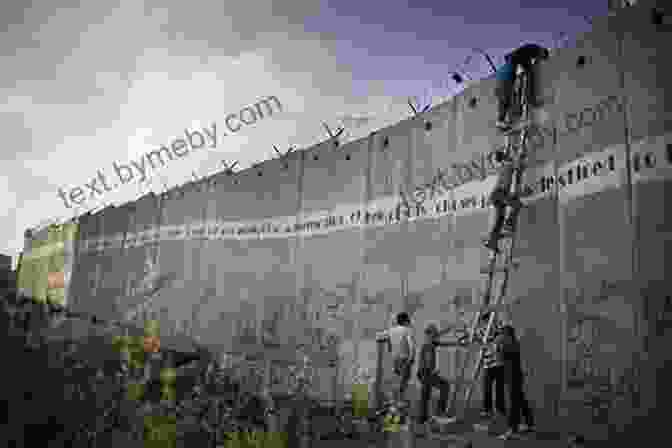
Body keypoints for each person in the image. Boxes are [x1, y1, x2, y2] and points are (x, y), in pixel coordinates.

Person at [496, 43, 550, 128]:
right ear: (541, 53)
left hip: (506, 72)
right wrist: (533, 101)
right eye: (541, 57)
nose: (539, 59)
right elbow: (528, 69)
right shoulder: (533, 49)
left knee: (509, 94)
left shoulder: (525, 55)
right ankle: (502, 120)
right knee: (507, 93)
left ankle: (506, 119)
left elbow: (526, 66)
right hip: (507, 73)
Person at [416, 322, 458, 423]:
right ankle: (439, 412)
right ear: (430, 334)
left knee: (426, 394)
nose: (437, 336)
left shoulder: (431, 342)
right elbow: (428, 360)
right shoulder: (428, 344)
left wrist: (450, 330)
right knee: (444, 386)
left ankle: (422, 418)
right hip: (426, 372)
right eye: (434, 334)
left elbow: (443, 341)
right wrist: (432, 371)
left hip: (424, 373)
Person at [499, 324, 535, 440]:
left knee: (514, 403)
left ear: (507, 335)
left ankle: (512, 429)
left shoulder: (509, 344)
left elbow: (501, 358)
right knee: (520, 400)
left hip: (513, 376)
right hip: (515, 376)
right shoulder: (513, 343)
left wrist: (498, 348)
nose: (501, 336)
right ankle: (529, 423)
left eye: (503, 334)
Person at [484, 149, 523, 252]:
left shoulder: (503, 166)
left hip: (497, 195)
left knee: (499, 221)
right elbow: (518, 165)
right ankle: (509, 224)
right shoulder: (507, 164)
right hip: (500, 193)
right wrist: (520, 157)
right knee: (517, 205)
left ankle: (492, 241)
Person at [480, 315, 506, 420]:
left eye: (487, 321)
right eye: (484, 322)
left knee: (499, 389)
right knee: (487, 388)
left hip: (498, 364)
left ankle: (500, 410)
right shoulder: (482, 332)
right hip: (488, 364)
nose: (485, 324)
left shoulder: (497, 330)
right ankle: (488, 410)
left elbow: (498, 337)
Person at [387, 312, 415, 403]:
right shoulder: (407, 330)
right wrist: (411, 358)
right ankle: (401, 401)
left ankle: (394, 401)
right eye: (408, 321)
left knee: (397, 381)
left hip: (395, 360)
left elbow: (390, 347)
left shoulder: (391, 331)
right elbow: (411, 345)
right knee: (404, 383)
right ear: (405, 321)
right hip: (404, 359)